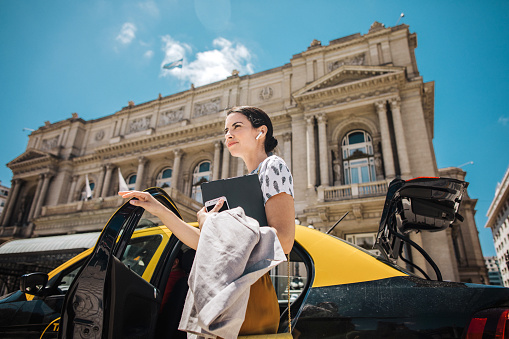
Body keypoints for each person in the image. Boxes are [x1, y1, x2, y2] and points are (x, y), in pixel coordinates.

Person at [119, 105, 295, 335]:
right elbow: (204, 243)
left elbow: (283, 241)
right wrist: (158, 209)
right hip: (227, 292)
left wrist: (209, 222)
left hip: (250, 292)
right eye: (226, 130)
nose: (228, 134)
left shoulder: (273, 166)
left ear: (260, 132)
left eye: (237, 126)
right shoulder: (244, 181)